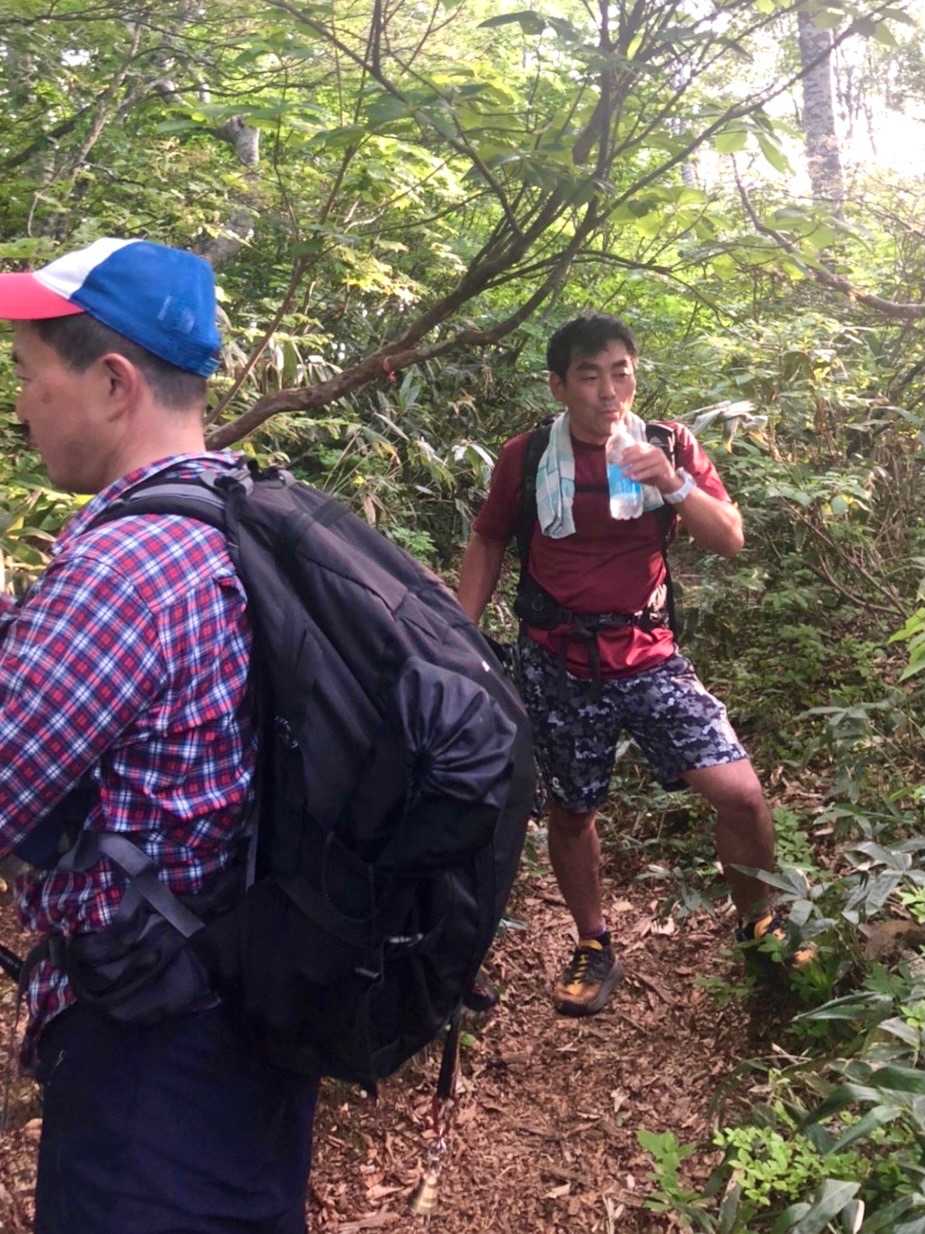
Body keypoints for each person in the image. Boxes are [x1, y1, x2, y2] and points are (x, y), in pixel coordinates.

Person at [0, 238, 317, 1233]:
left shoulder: (126, 567)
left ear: (112, 382)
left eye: (28, 374)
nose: (20, 406)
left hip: (151, 1067)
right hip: (248, 1008)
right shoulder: (239, 507)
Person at [457, 313, 810, 1017]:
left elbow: (730, 539)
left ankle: (758, 923)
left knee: (740, 794)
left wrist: (673, 484)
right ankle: (593, 942)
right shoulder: (527, 455)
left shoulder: (667, 444)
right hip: (556, 658)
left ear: (635, 377)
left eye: (619, 372)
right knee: (571, 811)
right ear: (559, 385)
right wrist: (458, 639)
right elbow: (488, 540)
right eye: (588, 375)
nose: (607, 390)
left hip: (648, 653)